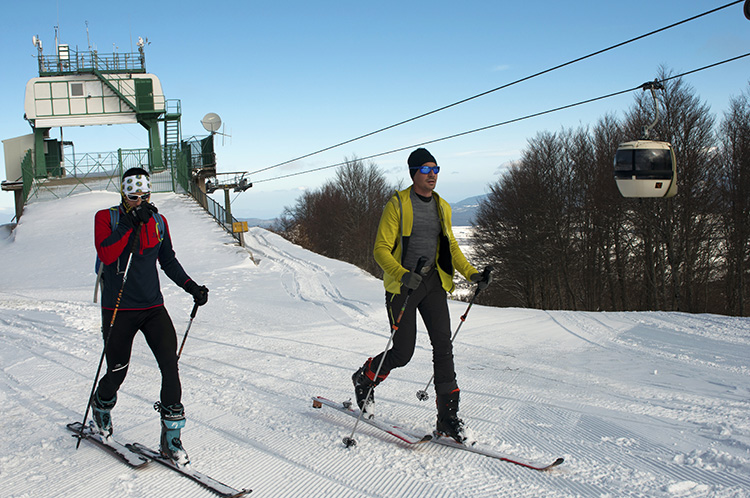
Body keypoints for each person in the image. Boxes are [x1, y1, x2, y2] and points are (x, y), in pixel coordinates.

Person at [352, 148, 491, 443]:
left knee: (443, 346)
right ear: (414, 172)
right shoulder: (397, 205)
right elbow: (380, 250)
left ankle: (448, 418)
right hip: (403, 287)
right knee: (403, 352)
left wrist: (473, 274)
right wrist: (403, 274)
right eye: (426, 170)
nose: (432, 175)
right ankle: (365, 379)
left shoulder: (443, 206)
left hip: (433, 284)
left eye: (436, 169)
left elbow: (451, 247)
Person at [90, 167, 209, 466]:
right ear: (123, 194)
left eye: (144, 196)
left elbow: (167, 260)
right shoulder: (106, 218)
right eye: (133, 197)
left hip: (152, 308)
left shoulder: (158, 221)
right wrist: (129, 224)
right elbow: (107, 254)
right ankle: (101, 405)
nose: (139, 202)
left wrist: (191, 286)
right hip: (118, 309)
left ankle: (171, 439)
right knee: (117, 370)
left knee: (171, 367)